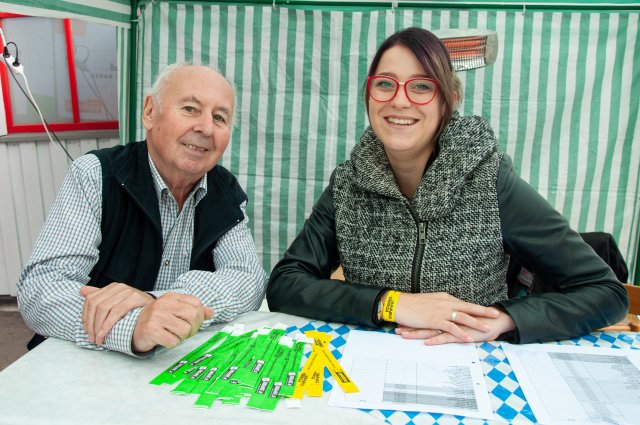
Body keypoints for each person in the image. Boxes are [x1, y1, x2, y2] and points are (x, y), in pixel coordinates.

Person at [267, 27, 628, 344]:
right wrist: (393, 304)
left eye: (423, 86)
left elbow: (605, 292)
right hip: (369, 366)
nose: (400, 99)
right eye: (385, 84)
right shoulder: (347, 184)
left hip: (474, 368)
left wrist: (504, 320)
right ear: (369, 95)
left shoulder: (491, 181)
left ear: (449, 102)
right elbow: (285, 283)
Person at [18, 63, 267, 356]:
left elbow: (248, 279)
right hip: (85, 366)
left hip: (171, 367)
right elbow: (41, 288)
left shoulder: (224, 190)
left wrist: (157, 302)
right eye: (189, 109)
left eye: (219, 117)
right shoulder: (96, 174)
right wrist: (132, 325)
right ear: (150, 112)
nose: (205, 127)